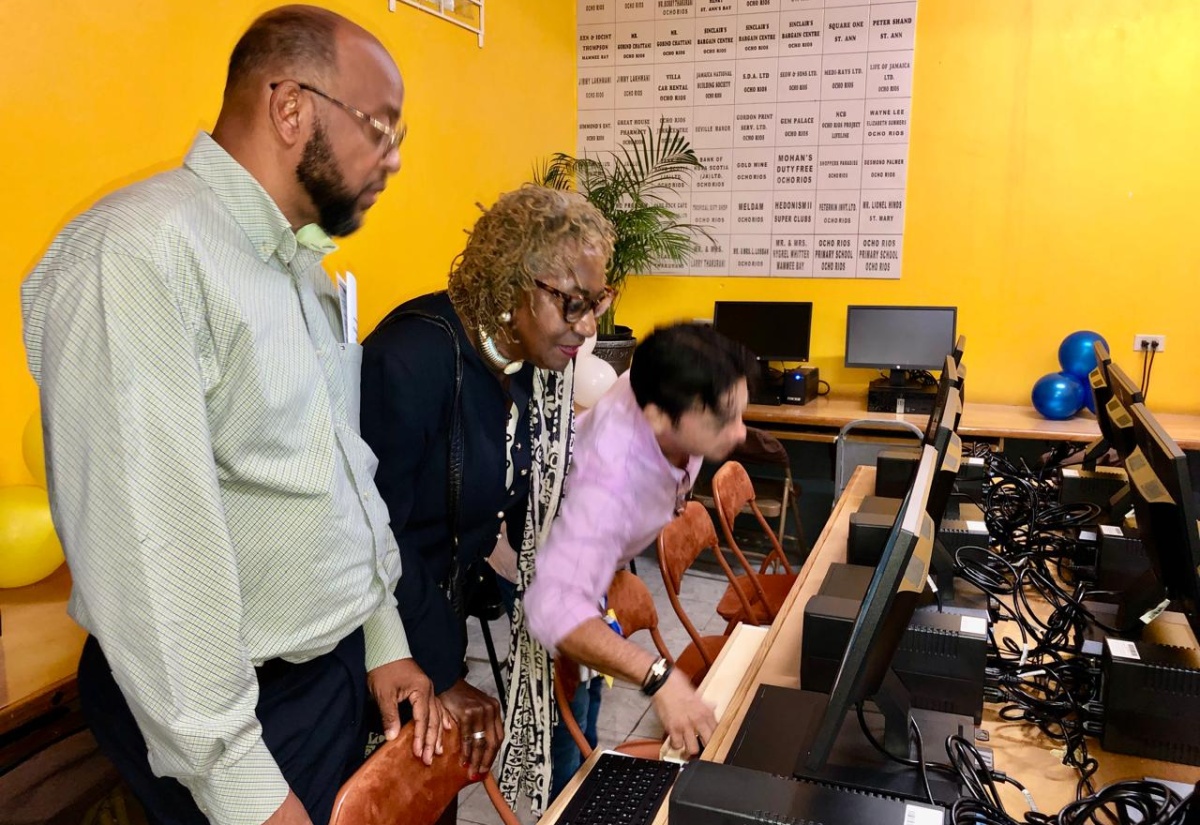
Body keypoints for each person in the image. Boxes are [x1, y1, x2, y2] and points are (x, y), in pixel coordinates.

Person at [20, 7, 442, 825]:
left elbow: (339, 476)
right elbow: (151, 554)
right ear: (291, 107)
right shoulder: (138, 254)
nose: (393, 160)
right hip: (225, 714)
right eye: (380, 128)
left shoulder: (305, 269)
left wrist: (383, 634)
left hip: (323, 674)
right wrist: (243, 786)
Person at [360, 185, 615, 816]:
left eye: (599, 302)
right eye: (573, 304)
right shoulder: (411, 362)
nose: (589, 326)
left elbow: (499, 516)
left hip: (434, 616)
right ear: (511, 285)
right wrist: (445, 674)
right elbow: (371, 541)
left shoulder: (522, 369)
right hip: (375, 640)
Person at [525, 323, 754, 756]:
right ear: (657, 418)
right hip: (548, 551)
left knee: (591, 688)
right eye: (724, 419)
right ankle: (569, 796)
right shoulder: (610, 483)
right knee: (568, 706)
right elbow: (552, 607)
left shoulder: (665, 383)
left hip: (597, 553)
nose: (740, 432)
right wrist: (659, 677)